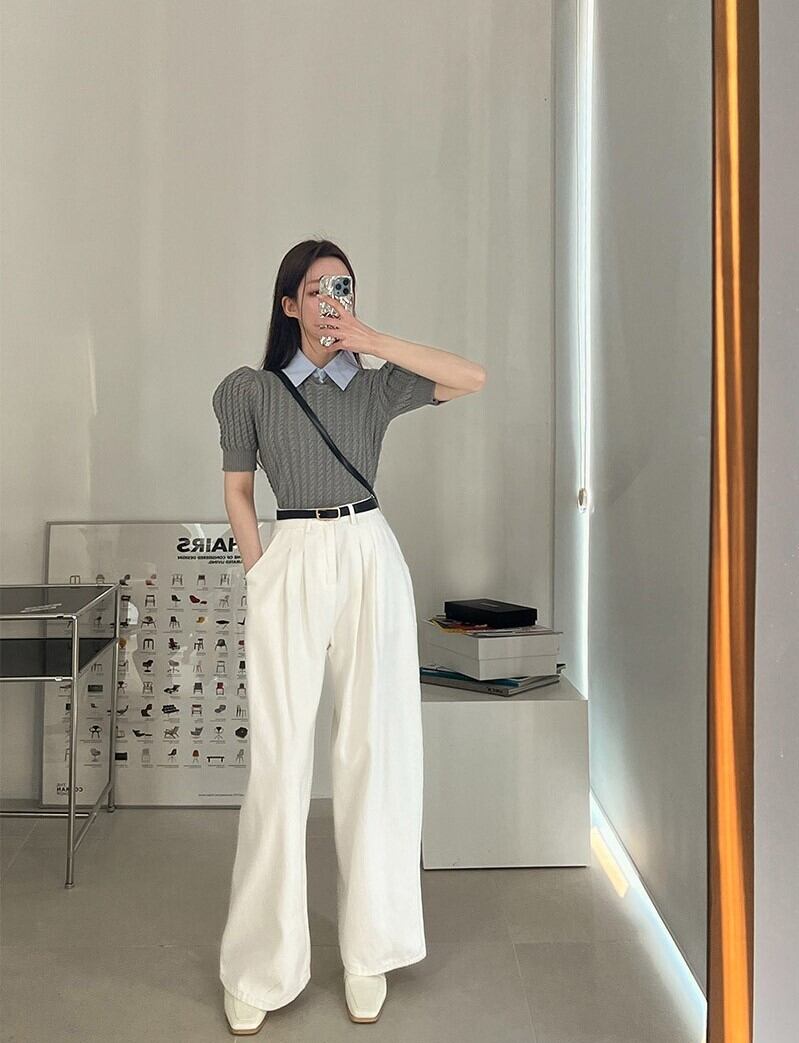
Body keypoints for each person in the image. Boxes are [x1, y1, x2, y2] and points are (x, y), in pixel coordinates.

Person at [212, 238, 486, 1034]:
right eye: (316, 289)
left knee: (376, 748)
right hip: (292, 552)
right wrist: (260, 569)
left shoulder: (375, 385)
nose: (331, 299)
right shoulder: (251, 390)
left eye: (343, 286)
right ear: (287, 303)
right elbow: (237, 489)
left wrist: (371, 338)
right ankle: (260, 961)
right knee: (279, 759)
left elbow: (470, 376)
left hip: (369, 550)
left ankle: (370, 949)